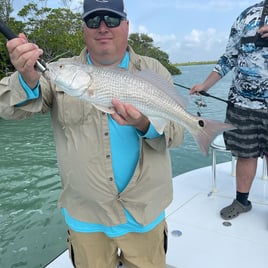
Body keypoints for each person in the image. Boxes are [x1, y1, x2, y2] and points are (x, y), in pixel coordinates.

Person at [0, 0, 184, 267]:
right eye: (93, 20)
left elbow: (177, 135)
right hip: (86, 218)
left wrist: (145, 123)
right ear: (83, 28)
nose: (102, 28)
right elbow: (7, 108)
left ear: (126, 25)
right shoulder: (60, 71)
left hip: (145, 214)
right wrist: (26, 78)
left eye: (111, 19)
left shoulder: (153, 71)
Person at [190, 1, 268, 220]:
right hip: (241, 104)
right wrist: (205, 85)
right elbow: (229, 56)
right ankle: (242, 201)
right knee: (245, 154)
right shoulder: (246, 15)